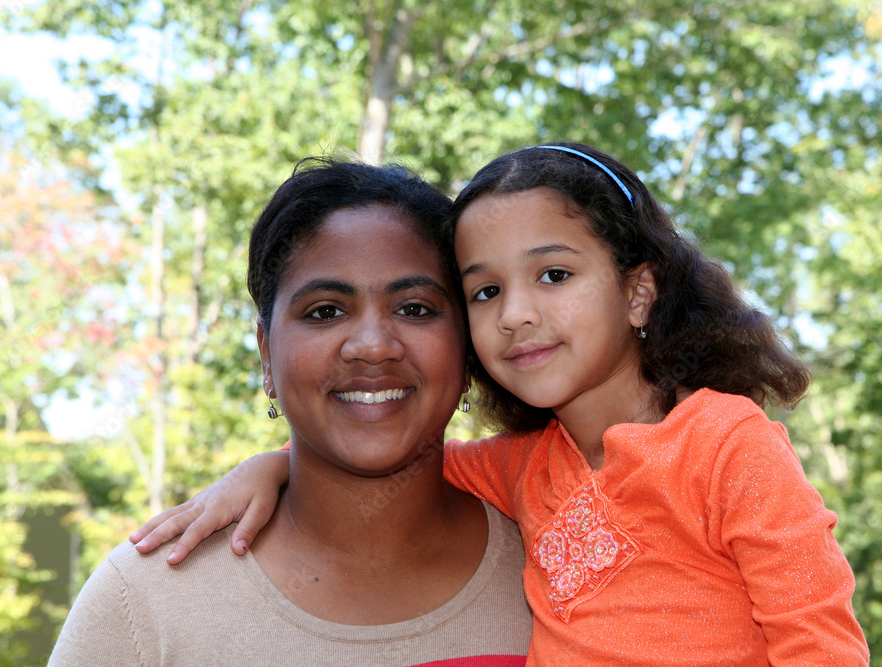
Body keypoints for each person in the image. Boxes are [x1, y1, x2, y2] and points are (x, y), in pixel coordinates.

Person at [132, 143, 870, 665]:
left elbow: (820, 639)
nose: (515, 312)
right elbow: (391, 455)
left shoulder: (726, 444)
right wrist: (271, 467)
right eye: (486, 291)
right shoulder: (524, 470)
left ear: (638, 289)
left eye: (552, 274)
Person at [49, 158, 533, 666]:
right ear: (266, 354)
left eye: (415, 308)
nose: (372, 346)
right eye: (325, 310)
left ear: (467, 348)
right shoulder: (145, 599)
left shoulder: (560, 561)